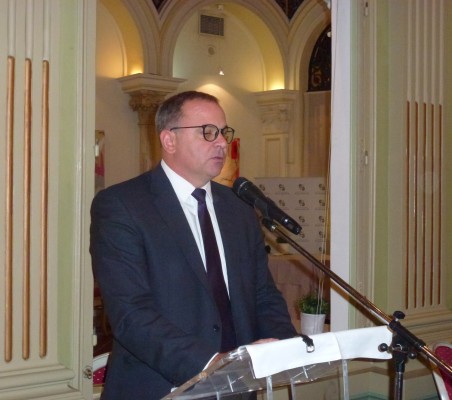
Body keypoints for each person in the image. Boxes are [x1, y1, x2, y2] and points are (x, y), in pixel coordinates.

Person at [90, 90, 297, 400]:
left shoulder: (239, 208)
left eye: (224, 132)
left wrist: (283, 345)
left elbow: (263, 294)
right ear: (169, 140)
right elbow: (131, 313)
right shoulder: (123, 205)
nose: (222, 143)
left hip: (238, 387)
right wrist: (210, 365)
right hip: (161, 386)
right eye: (208, 132)